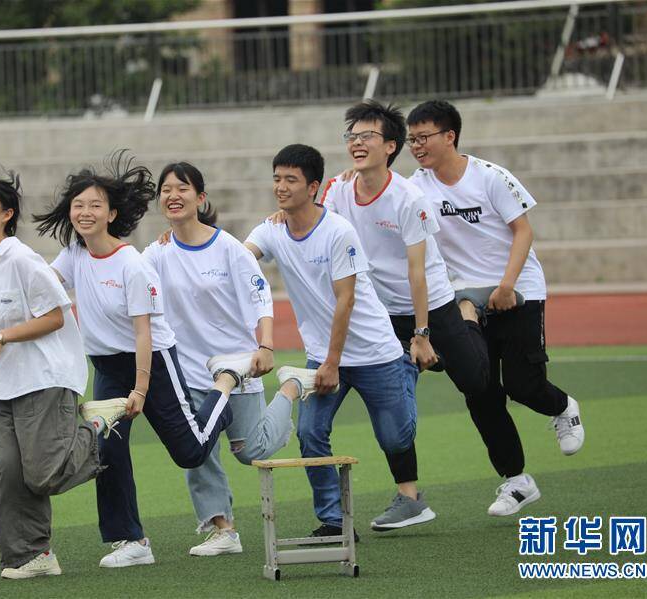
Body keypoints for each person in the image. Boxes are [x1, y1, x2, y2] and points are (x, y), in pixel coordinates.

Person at [32, 151, 241, 568]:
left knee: (190, 453)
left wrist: (141, 389)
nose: (85, 212)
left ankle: (224, 388)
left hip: (153, 363)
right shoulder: (74, 254)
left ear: (111, 213)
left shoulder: (132, 264)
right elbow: (45, 285)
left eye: (95, 205)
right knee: (106, 452)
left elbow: (144, 333)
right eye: (78, 205)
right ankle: (132, 540)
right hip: (107, 367)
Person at [317, 101, 495, 530]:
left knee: (475, 382)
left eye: (367, 136)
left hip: (431, 304)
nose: (357, 143)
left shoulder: (408, 197)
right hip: (380, 314)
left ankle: (470, 312)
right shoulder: (339, 190)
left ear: (391, 146)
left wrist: (422, 333)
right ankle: (410, 497)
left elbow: (417, 271)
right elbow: (316, 223)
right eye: (351, 136)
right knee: (390, 403)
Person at [405, 99, 585, 515]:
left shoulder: (489, 177)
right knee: (480, 391)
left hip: (517, 290)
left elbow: (523, 231)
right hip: (464, 301)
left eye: (423, 137)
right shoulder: (416, 185)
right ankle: (516, 481)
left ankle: (563, 408)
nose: (416, 146)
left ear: (449, 136)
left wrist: (506, 286)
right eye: (411, 139)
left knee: (522, 384)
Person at [244, 144, 421, 540]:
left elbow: (346, 299)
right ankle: (334, 520)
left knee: (396, 437)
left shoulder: (339, 232)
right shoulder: (272, 229)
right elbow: (240, 257)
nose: (281, 187)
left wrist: (332, 363)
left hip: (375, 353)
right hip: (323, 356)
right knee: (310, 433)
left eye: (291, 180)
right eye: (277, 178)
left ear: (313, 187)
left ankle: (408, 369)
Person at [143, 162, 295, 556]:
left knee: (252, 451)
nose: (173, 195)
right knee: (197, 451)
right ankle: (222, 529)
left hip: (237, 367)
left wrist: (265, 346)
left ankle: (294, 388)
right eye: (166, 190)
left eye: (183, 188)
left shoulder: (229, 248)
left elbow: (261, 298)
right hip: (187, 373)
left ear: (201, 198)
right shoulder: (157, 253)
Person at [0, 169, 103, 580]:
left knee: (42, 473)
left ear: (6, 214)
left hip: (45, 377)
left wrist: (1, 336)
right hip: (4, 383)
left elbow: (57, 317)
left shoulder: (23, 260)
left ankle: (98, 430)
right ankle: (30, 556)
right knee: (9, 471)